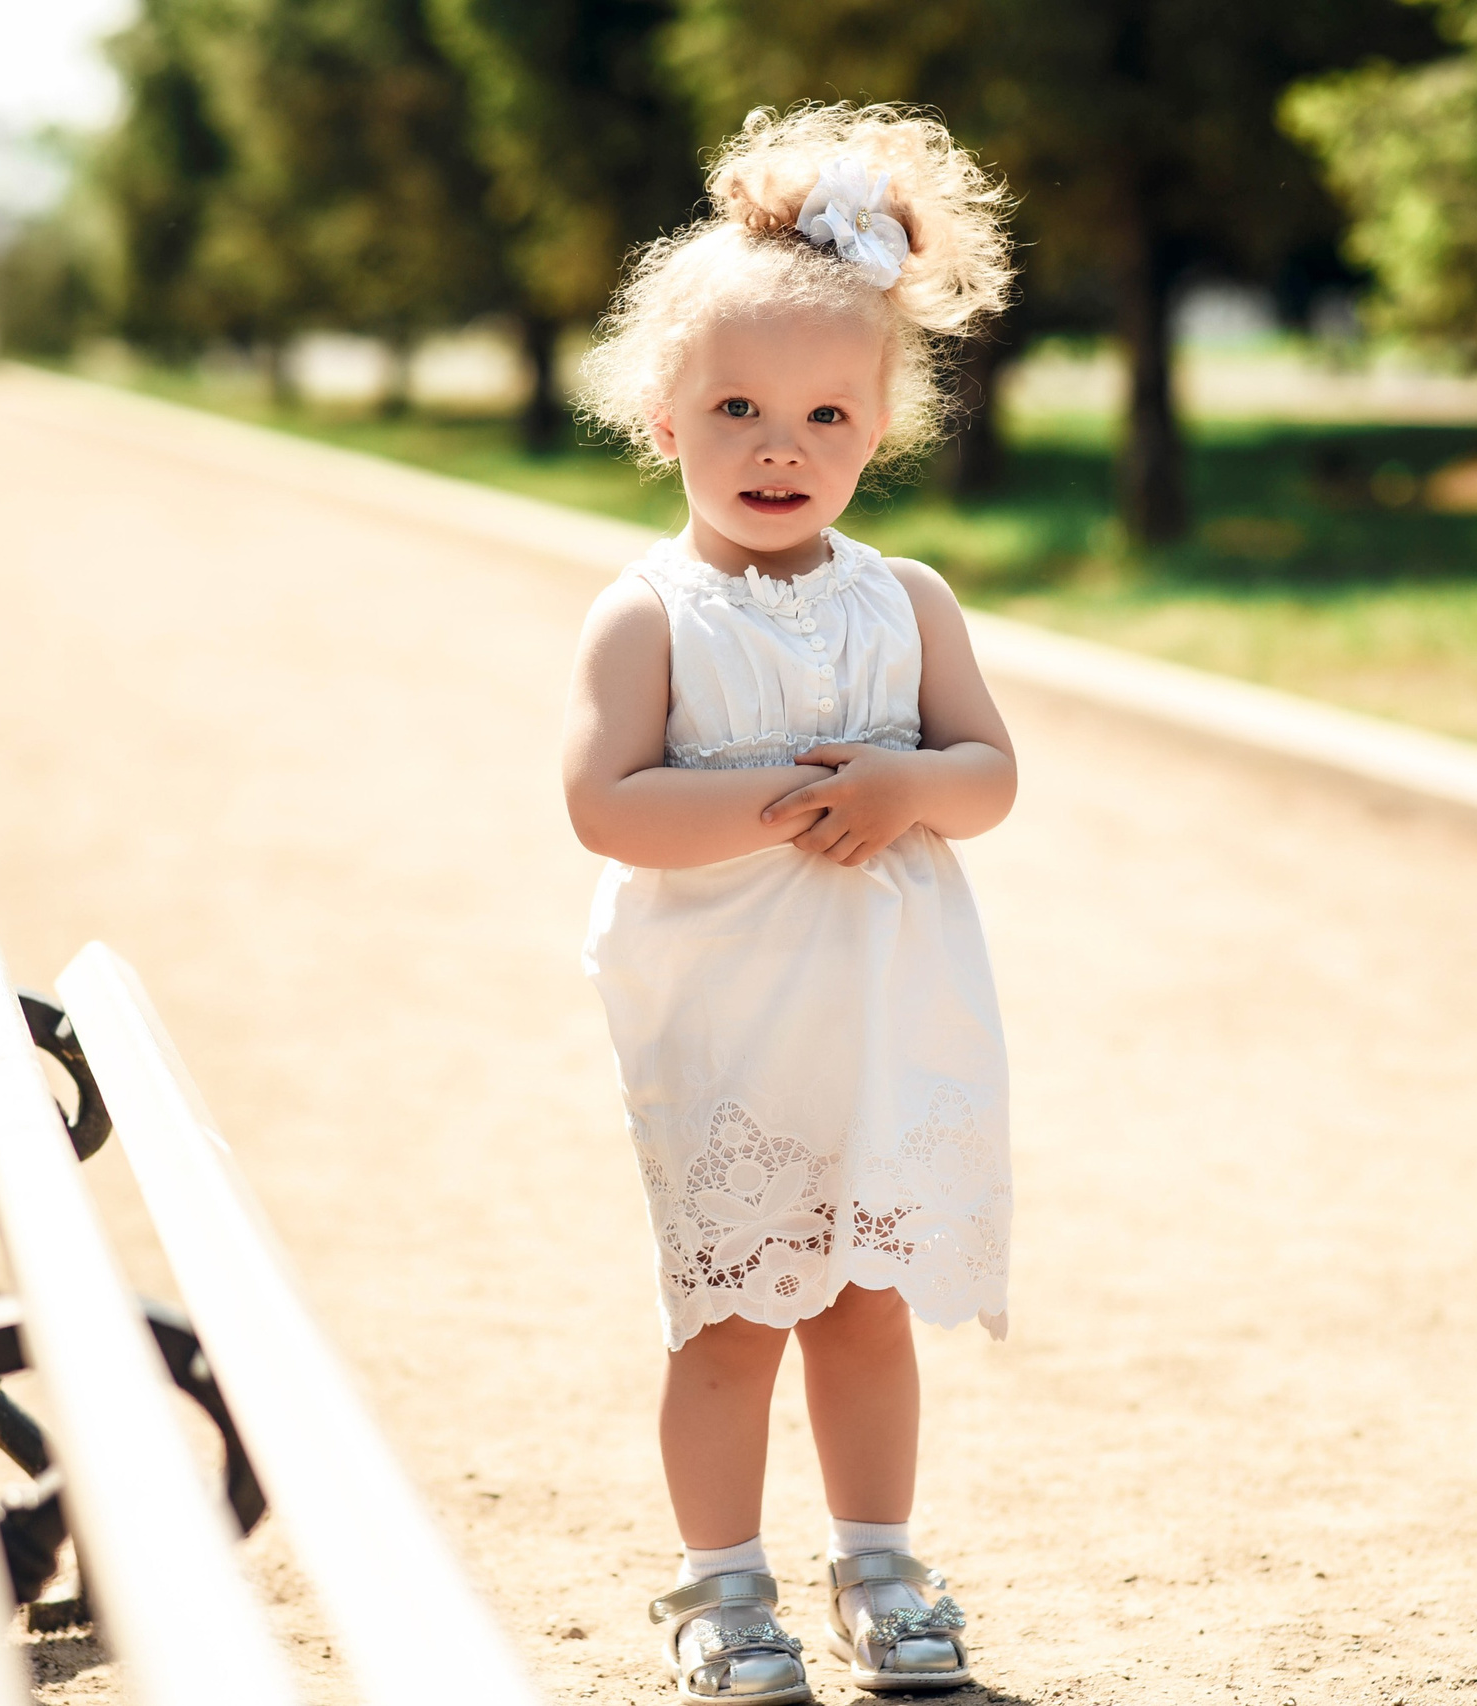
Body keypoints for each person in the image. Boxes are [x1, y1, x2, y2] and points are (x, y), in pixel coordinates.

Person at [561, 103, 1018, 1703]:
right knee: (735, 1309)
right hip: (731, 1013)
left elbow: (988, 772)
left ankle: (881, 1558)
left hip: (880, 1009)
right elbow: (603, 804)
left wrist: (906, 787)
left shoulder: (909, 599)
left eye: (825, 415)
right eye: (738, 407)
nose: (780, 446)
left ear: (878, 426)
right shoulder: (649, 617)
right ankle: (719, 1584)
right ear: (661, 413)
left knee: (867, 1301)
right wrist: (783, 799)